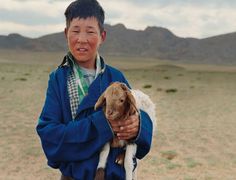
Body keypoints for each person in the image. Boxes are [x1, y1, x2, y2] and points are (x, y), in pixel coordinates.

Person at [36, 0, 153, 179]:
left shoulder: (115, 77)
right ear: (66, 33)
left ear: (102, 36)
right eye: (75, 31)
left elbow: (136, 112)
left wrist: (139, 127)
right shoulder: (58, 79)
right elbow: (49, 136)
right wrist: (101, 125)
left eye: (90, 32)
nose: (82, 39)